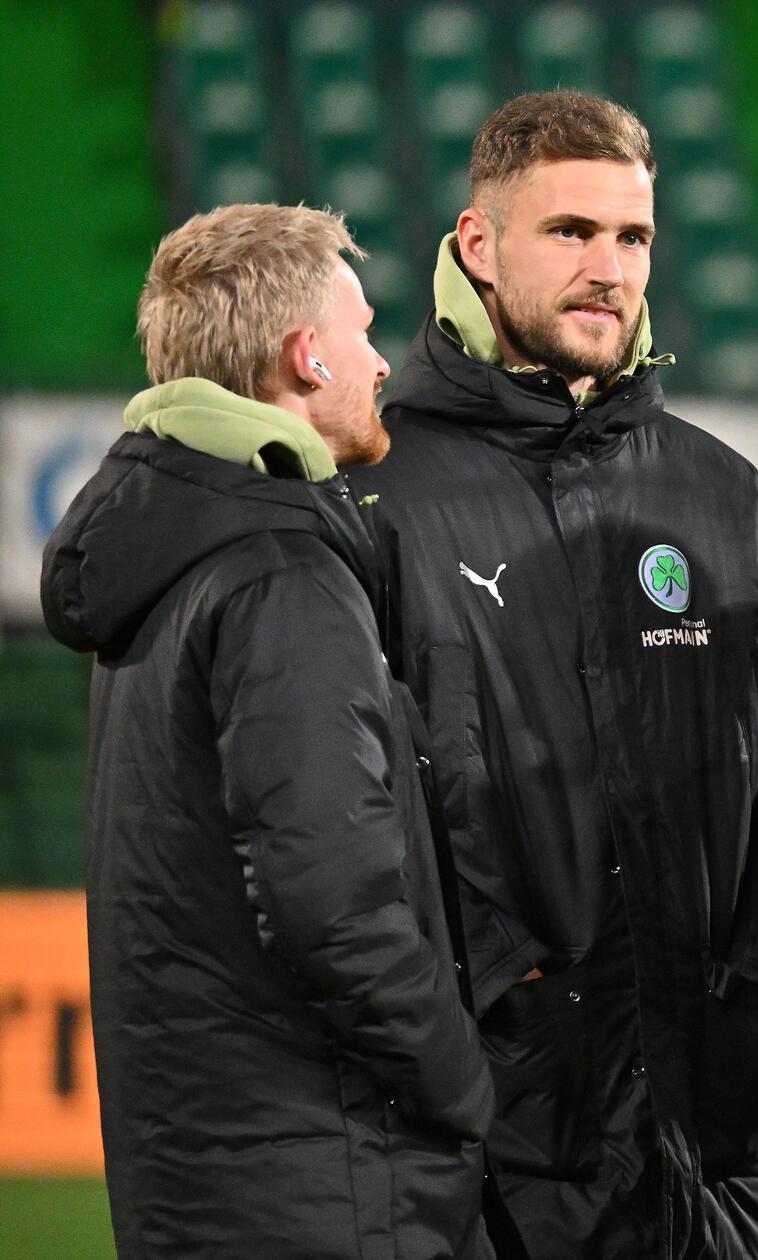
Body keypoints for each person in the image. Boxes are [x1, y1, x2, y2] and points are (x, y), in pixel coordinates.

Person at [344, 90, 758, 1259]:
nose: (609, 268)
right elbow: (335, 811)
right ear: (478, 245)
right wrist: (488, 1005)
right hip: (476, 1158)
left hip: (710, 1151)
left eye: (633, 238)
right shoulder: (371, 493)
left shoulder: (723, 495)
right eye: (570, 232)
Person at [39, 204, 490, 1258]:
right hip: (323, 1184)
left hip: (209, 1175)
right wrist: (459, 1078)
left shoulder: (166, 559)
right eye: (363, 332)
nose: (382, 363)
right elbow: (330, 898)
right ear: (304, 356)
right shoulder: (278, 571)